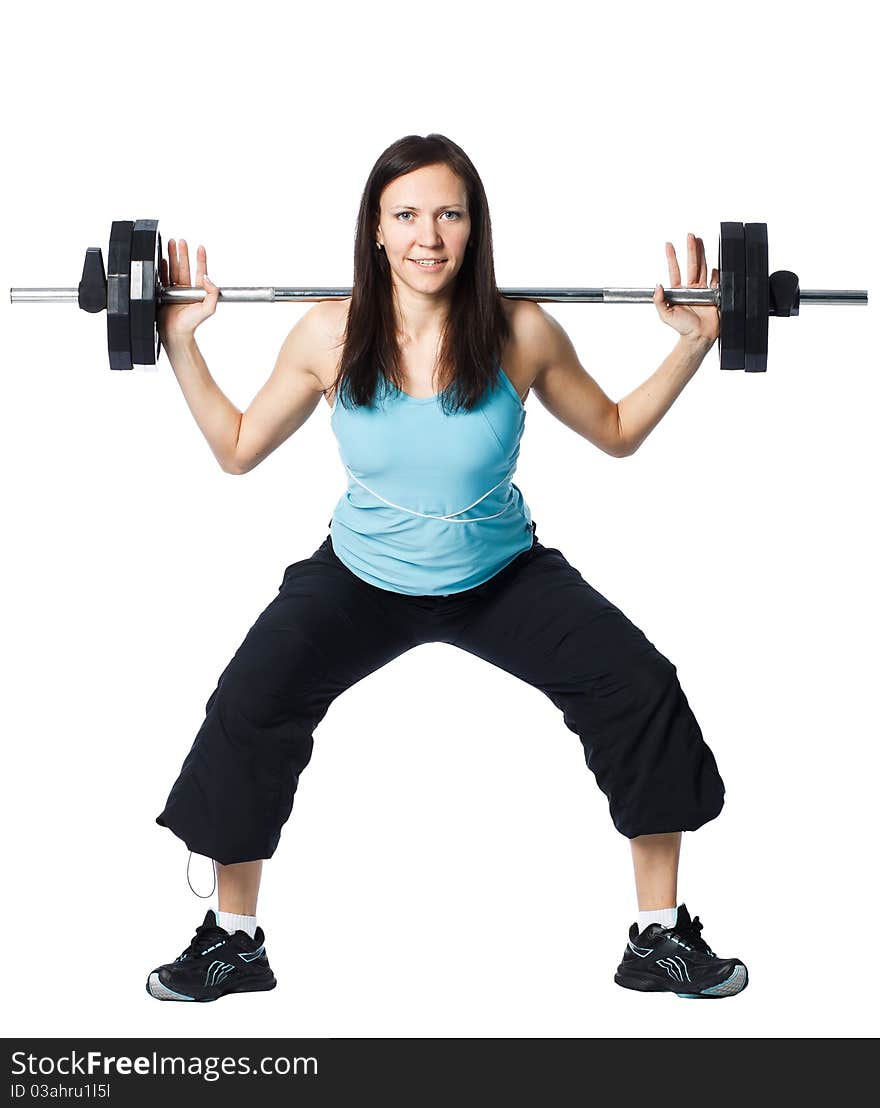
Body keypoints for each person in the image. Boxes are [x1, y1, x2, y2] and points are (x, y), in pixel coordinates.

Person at [146, 133, 747, 1003]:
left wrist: (694, 344)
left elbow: (616, 430)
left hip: (500, 574)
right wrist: (178, 342)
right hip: (361, 576)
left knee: (638, 685)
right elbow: (237, 449)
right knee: (252, 702)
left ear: (475, 229)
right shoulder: (329, 331)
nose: (429, 236)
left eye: (449, 214)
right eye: (407, 215)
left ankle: (657, 936)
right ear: (377, 232)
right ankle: (233, 942)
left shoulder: (521, 331)